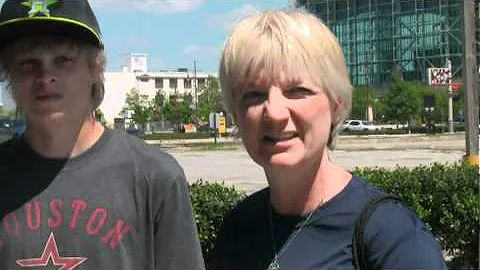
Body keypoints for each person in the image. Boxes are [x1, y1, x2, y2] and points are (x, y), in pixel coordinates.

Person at [209, 9, 447, 269]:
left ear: (336, 105)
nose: (274, 113)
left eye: (298, 91)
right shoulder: (238, 228)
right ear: (236, 113)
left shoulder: (389, 234)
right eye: (253, 95)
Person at [0, 0, 204, 269]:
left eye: (63, 60)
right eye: (28, 63)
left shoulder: (155, 177)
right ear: (9, 75)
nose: (45, 76)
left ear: (94, 69)